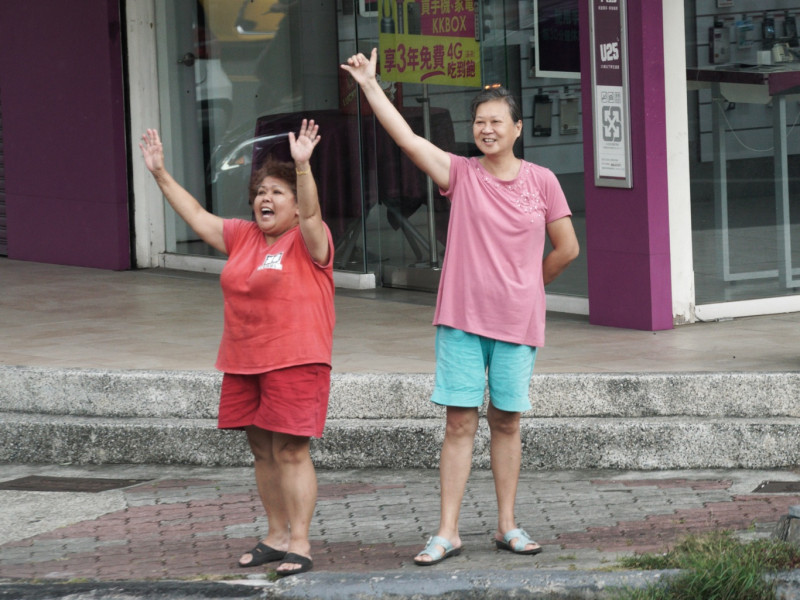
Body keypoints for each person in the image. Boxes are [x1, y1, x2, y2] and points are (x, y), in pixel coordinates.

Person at [342, 49, 580, 566]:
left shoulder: (542, 182)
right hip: (462, 319)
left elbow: (567, 248)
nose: (486, 129)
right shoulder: (461, 175)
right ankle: (447, 531)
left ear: (518, 128)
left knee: (508, 421)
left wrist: (528, 286)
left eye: (497, 122)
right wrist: (370, 85)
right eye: (479, 122)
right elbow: (407, 139)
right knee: (458, 422)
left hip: (517, 321)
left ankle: (507, 525)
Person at [139, 119, 334, 577]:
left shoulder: (309, 241)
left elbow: (310, 214)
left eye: (277, 193)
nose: (266, 199)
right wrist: (160, 173)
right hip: (244, 360)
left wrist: (302, 170)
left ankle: (300, 543)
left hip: (296, 359)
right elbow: (197, 217)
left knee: (290, 451)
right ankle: (275, 535)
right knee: (262, 450)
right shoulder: (243, 236)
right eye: (261, 191)